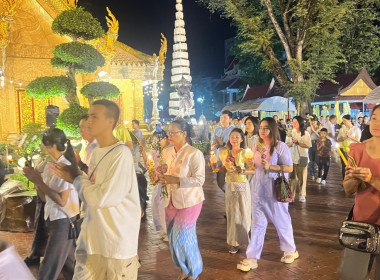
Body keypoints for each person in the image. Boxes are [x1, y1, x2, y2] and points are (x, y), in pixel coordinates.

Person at [53, 100, 141, 279]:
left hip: (115, 246)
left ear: (111, 122)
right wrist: (79, 170)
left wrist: (75, 177)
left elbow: (103, 198)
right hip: (92, 240)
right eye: (89, 115)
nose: (89, 121)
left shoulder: (121, 154)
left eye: (95, 116)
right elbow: (94, 184)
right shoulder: (98, 152)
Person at [237, 117, 297, 272]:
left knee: (281, 220)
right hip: (257, 189)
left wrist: (272, 166)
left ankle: (290, 249)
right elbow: (254, 167)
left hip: (274, 189)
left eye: (266, 128)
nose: (262, 131)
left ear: (272, 129)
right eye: (261, 128)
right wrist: (246, 167)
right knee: (257, 224)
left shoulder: (280, 146)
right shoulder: (256, 145)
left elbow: (289, 168)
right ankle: (252, 257)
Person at [23, 128, 80, 280]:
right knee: (71, 267)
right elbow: (44, 197)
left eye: (43, 144)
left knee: (48, 269)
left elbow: (62, 200)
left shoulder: (64, 167)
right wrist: (36, 181)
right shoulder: (51, 166)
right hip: (53, 219)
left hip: (63, 221)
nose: (41, 147)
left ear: (51, 146)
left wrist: (40, 182)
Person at [158, 118, 205, 280]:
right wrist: (157, 176)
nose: (169, 135)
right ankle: (183, 270)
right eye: (168, 132)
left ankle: (194, 271)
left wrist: (177, 180)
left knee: (182, 237)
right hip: (170, 201)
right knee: (172, 239)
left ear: (184, 133)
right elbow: (163, 173)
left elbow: (200, 180)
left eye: (173, 132)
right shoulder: (166, 152)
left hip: (190, 201)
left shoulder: (194, 153)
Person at [339, 104, 380, 280]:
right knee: (351, 274)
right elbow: (347, 189)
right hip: (362, 222)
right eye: (375, 117)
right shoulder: (357, 149)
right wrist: (355, 179)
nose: (377, 122)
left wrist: (371, 179)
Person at [220, 128, 254, 254]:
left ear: (241, 139)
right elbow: (224, 169)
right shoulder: (224, 153)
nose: (234, 139)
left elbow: (253, 169)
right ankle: (234, 242)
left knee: (243, 211)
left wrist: (243, 171)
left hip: (241, 184)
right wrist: (217, 167)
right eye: (232, 136)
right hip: (229, 184)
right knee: (232, 212)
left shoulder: (246, 153)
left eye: (237, 137)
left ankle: (246, 239)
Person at [286, 116, 312, 202]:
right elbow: (286, 145)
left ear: (300, 123)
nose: (293, 124)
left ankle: (302, 194)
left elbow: (308, 145)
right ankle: (291, 195)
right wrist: (292, 142)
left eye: (295, 122)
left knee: (302, 177)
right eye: (293, 122)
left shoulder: (305, 134)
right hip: (292, 157)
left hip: (303, 157)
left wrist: (298, 142)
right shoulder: (290, 133)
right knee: (292, 178)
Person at [212, 110, 235, 193]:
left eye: (225, 117)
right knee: (219, 178)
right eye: (221, 117)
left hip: (228, 158)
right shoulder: (217, 129)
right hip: (218, 157)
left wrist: (221, 143)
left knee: (229, 178)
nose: (223, 119)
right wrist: (215, 145)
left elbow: (233, 146)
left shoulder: (233, 130)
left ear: (230, 119)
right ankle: (224, 194)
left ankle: (230, 194)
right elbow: (213, 143)